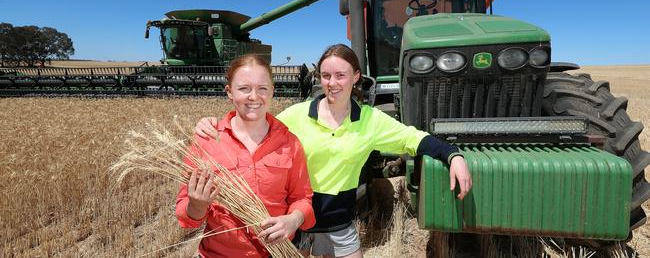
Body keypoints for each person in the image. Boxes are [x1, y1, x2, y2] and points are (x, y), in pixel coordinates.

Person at [195, 44, 472, 258]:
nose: (332, 83)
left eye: (341, 75)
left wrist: (452, 155)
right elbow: (253, 125)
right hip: (293, 225)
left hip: (339, 225)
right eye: (326, 75)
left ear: (356, 77)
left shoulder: (370, 121)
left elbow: (414, 139)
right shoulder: (297, 115)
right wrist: (214, 124)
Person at [176, 54, 315, 258]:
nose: (254, 96)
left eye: (262, 88)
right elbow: (186, 215)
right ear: (229, 92)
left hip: (276, 253)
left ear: (272, 92)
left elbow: (302, 198)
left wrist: (293, 220)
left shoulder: (290, 143)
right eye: (244, 88)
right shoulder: (206, 140)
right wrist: (196, 205)